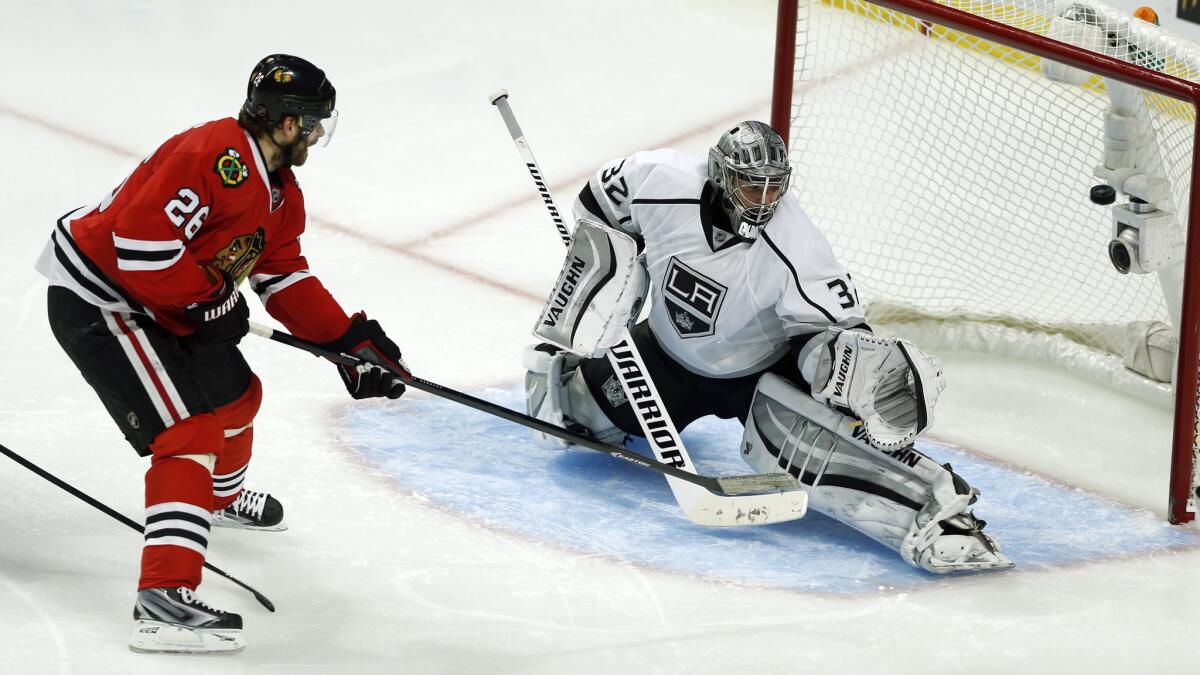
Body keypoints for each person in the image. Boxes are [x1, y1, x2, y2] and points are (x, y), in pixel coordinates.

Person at [36, 54, 409, 653]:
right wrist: (208, 301)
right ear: (288, 123)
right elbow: (138, 248)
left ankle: (212, 497)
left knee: (238, 397)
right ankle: (161, 601)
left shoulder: (279, 191)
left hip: (165, 305)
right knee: (191, 434)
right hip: (103, 304)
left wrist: (346, 341)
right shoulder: (210, 157)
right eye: (314, 124)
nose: (317, 136)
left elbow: (283, 276)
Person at [523, 121, 1013, 575]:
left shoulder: (797, 247)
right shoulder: (657, 179)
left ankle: (938, 516)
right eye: (749, 184)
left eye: (774, 185)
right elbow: (598, 209)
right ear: (719, 174)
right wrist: (617, 274)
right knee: (567, 420)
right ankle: (566, 368)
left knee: (817, 452)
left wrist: (852, 368)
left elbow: (836, 332)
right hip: (663, 355)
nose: (763, 199)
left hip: (755, 378)